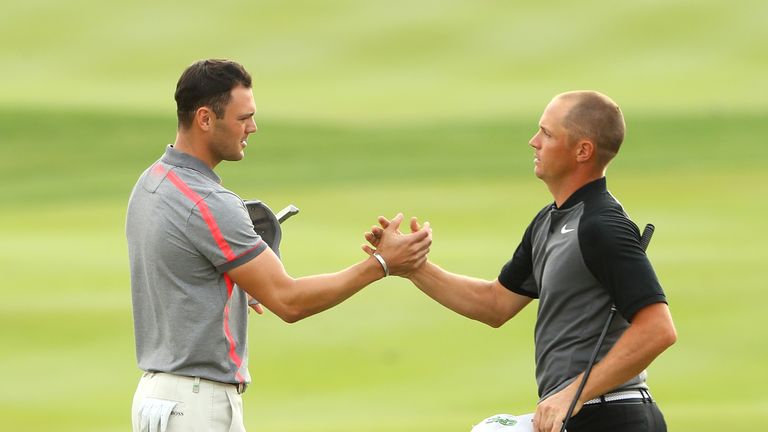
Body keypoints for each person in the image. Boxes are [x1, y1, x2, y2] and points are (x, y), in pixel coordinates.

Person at [126, 59, 432, 432]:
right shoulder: (209, 203)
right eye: (243, 118)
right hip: (197, 405)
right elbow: (289, 301)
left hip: (156, 398)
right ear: (205, 119)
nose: (252, 128)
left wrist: (241, 277)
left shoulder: (152, 182)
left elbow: (183, 269)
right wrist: (382, 263)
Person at [364, 91, 677, 432]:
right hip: (581, 416)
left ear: (582, 151)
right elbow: (495, 304)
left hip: (614, 417)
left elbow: (658, 328)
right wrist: (413, 268)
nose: (533, 142)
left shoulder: (601, 226)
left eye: (547, 134)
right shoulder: (548, 221)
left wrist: (570, 394)